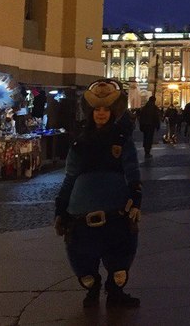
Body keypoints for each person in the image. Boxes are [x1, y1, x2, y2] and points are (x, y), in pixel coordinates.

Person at [54, 80, 142, 309]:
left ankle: (115, 291)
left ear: (113, 113)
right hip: (81, 213)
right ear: (91, 112)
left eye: (105, 110)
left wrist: (136, 198)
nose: (101, 114)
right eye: (97, 110)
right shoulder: (79, 142)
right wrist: (61, 208)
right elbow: (70, 177)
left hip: (116, 210)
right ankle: (91, 287)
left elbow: (132, 172)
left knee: (120, 254)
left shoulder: (122, 140)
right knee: (82, 257)